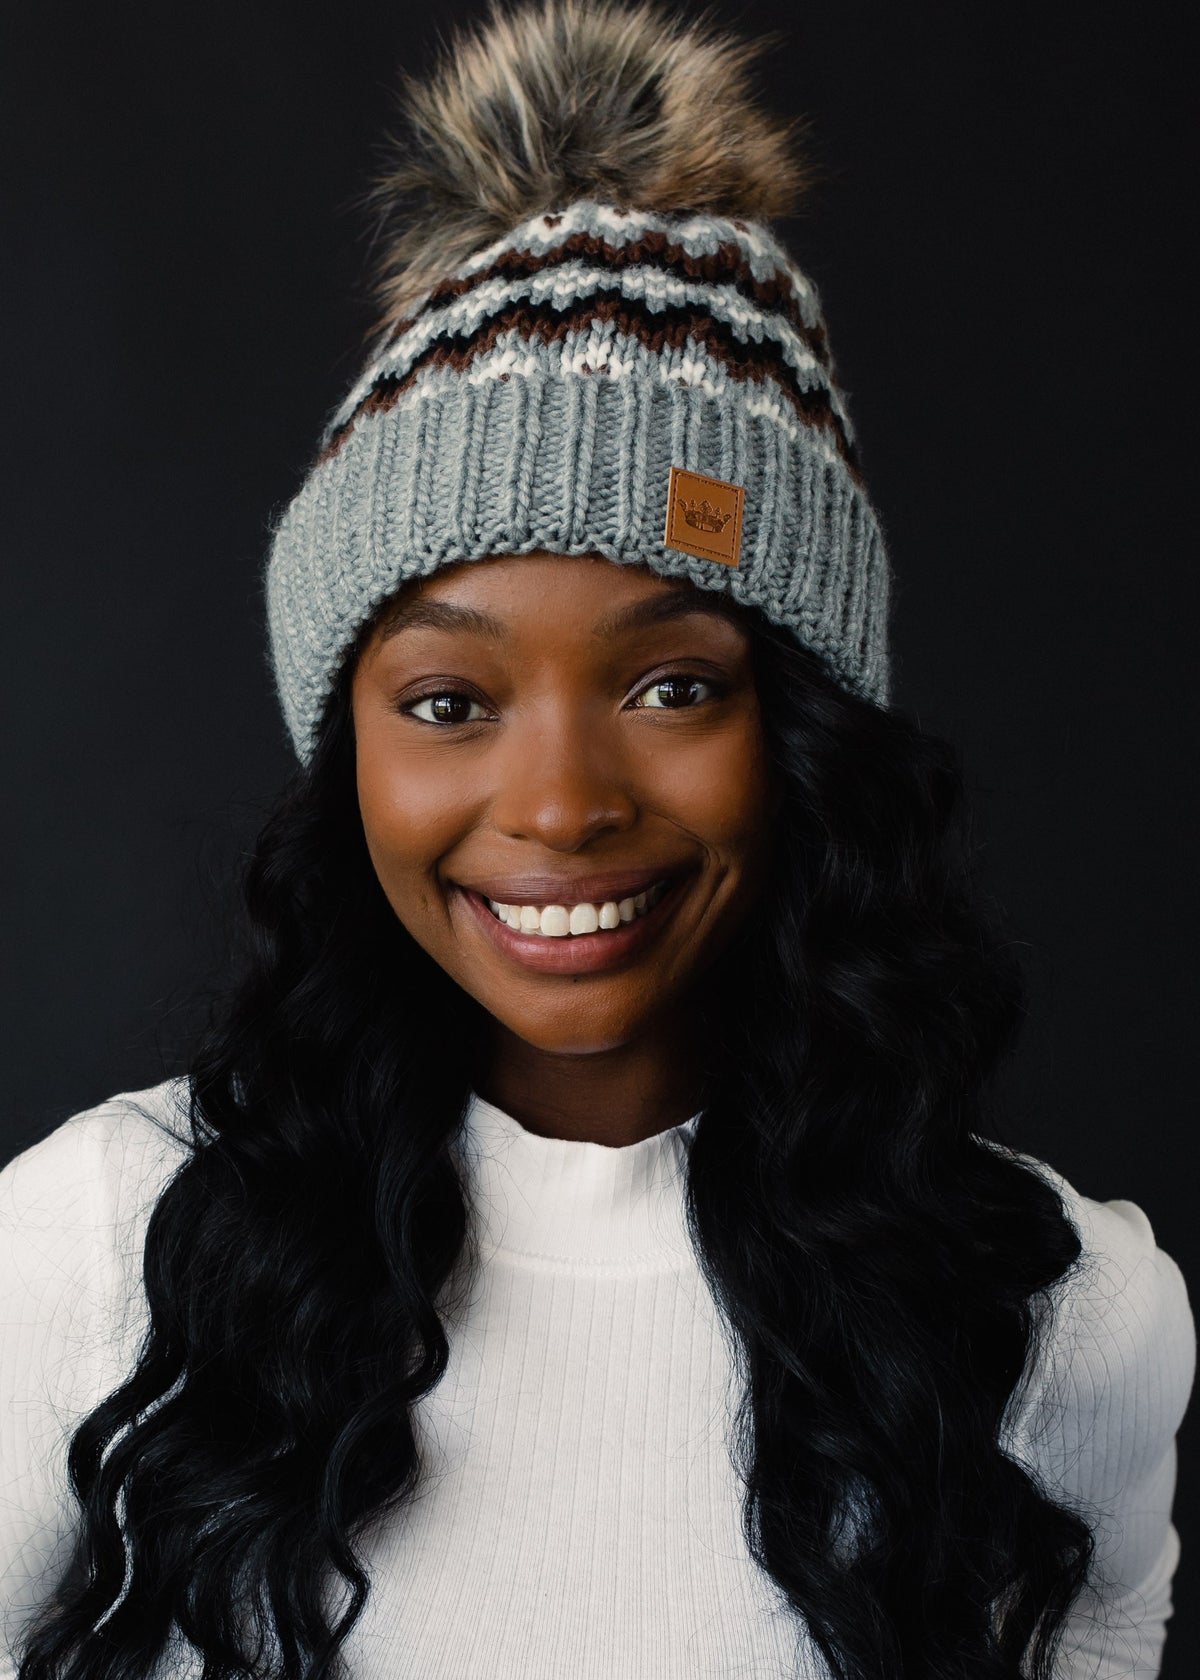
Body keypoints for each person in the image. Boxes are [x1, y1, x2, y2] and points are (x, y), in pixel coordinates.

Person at [1, 3, 1193, 1677]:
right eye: (445, 703)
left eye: (672, 684)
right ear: (343, 750)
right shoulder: (94, 1253)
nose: (561, 806)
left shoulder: (1064, 1314)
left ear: (805, 730)